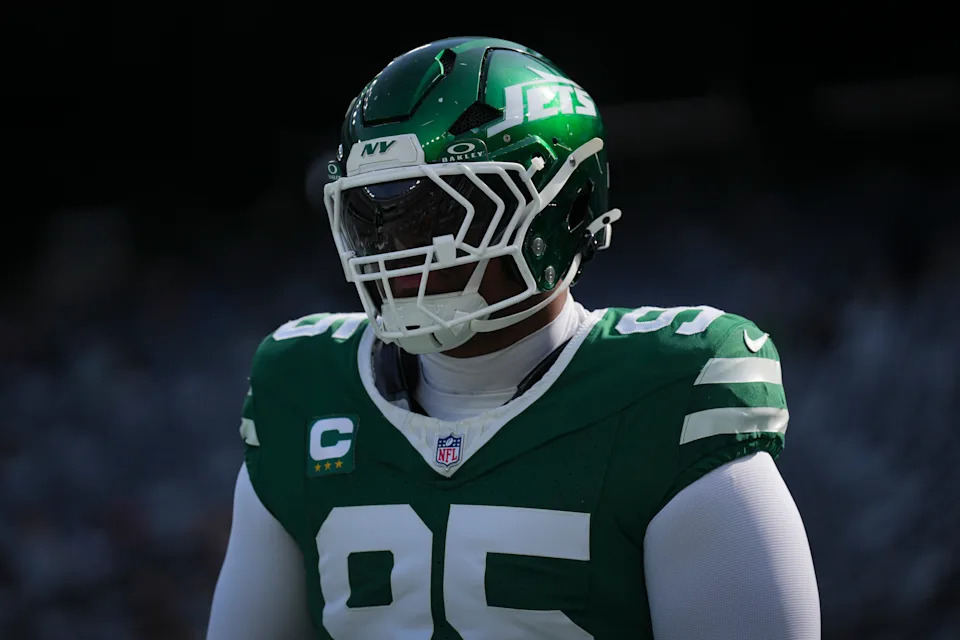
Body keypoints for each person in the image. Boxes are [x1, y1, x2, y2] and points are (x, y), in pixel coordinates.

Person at [206, 36, 821, 639]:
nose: (398, 252)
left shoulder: (668, 396)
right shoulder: (302, 388)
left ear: (563, 206)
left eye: (439, 215)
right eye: (376, 218)